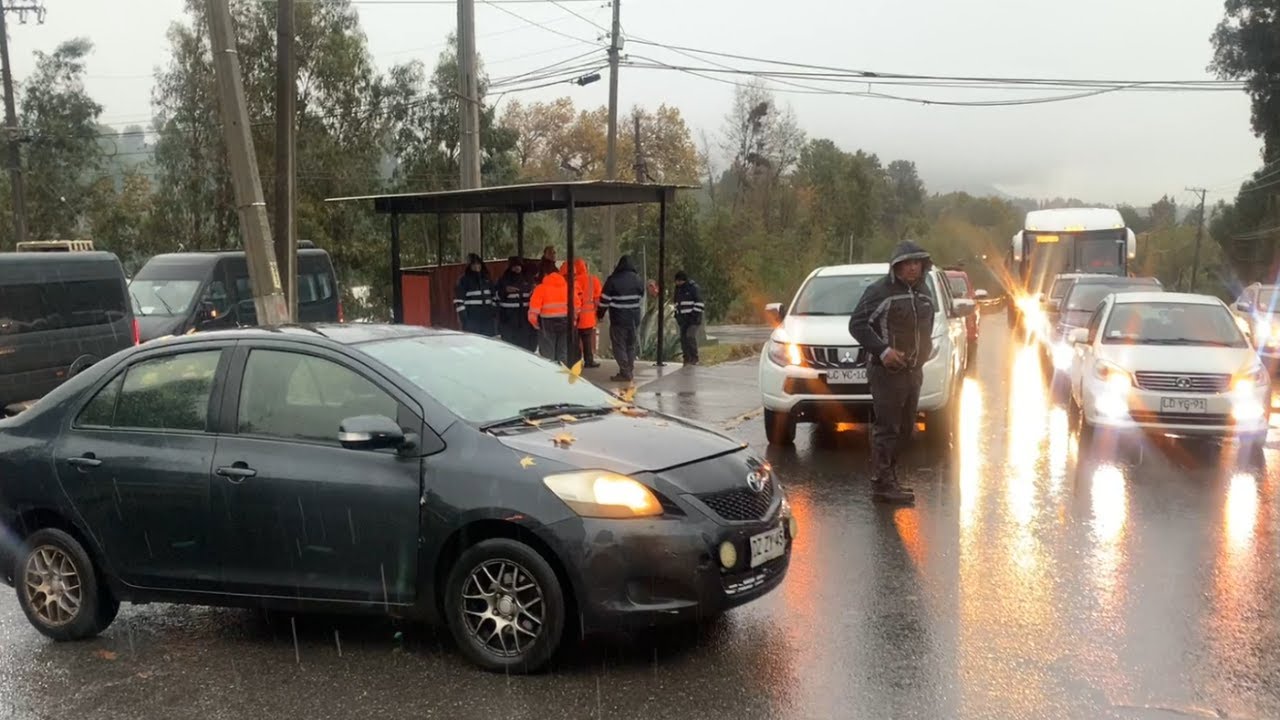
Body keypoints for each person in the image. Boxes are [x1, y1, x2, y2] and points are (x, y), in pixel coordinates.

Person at [848, 240, 936, 506]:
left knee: (907, 428)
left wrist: (922, 354)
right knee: (887, 428)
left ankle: (890, 477)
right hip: (886, 372)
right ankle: (882, 484)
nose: (912, 268)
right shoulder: (880, 291)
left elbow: (927, 326)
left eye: (917, 263)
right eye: (907, 263)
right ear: (896, 267)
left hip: (913, 371)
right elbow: (858, 324)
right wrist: (884, 351)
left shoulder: (924, 292)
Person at [599, 254, 644, 382]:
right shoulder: (637, 279)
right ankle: (628, 369)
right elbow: (641, 296)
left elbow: (604, 301)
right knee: (630, 345)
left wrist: (600, 315)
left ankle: (625, 372)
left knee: (619, 346)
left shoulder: (613, 279)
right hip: (634, 319)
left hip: (619, 319)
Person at [528, 264, 578, 365]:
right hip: (565, 322)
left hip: (547, 324)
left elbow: (533, 311)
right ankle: (562, 377)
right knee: (563, 353)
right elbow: (576, 306)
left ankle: (549, 377)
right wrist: (573, 321)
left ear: (546, 274)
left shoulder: (540, 288)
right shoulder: (568, 288)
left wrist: (536, 324)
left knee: (547, 355)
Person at [563, 257, 603, 368]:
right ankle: (589, 360)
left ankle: (575, 361)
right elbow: (597, 299)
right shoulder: (593, 279)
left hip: (575, 314)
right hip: (589, 316)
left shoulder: (573, 281)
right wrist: (598, 313)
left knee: (575, 339)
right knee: (587, 340)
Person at [495, 256, 536, 350]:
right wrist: (505, 291)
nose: (517, 268)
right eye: (514, 266)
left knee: (526, 346)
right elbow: (495, 296)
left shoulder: (528, 279)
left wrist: (534, 290)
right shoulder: (503, 280)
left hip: (525, 319)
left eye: (519, 265)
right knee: (511, 346)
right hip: (509, 319)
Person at [453, 253, 497, 336]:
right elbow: (458, 300)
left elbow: (494, 296)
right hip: (472, 317)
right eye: (474, 264)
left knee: (489, 341)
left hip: (487, 317)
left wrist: (493, 311)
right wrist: (464, 318)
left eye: (478, 264)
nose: (477, 266)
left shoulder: (487, 279)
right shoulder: (463, 280)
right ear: (469, 266)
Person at [673, 271, 704, 366]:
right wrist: (677, 315)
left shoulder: (693, 288)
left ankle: (694, 358)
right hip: (683, 320)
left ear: (681, 280)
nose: (676, 283)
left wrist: (693, 316)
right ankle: (686, 358)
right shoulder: (678, 289)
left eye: (677, 281)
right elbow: (676, 303)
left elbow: (700, 303)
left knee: (690, 336)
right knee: (683, 339)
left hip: (693, 319)